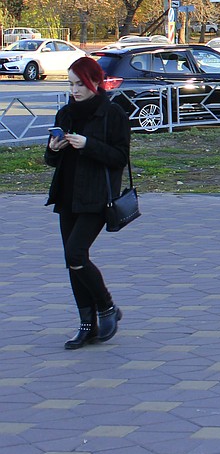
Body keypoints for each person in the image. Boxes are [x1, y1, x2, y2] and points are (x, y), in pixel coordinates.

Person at [45, 57, 132, 350]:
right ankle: (86, 325)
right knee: (72, 262)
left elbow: (120, 157)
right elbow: (52, 160)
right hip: (67, 195)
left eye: (80, 83)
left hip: (97, 196)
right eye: (70, 84)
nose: (75, 90)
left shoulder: (113, 114)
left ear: (95, 82)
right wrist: (54, 150)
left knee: (75, 252)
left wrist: (89, 145)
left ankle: (107, 307)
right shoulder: (65, 114)